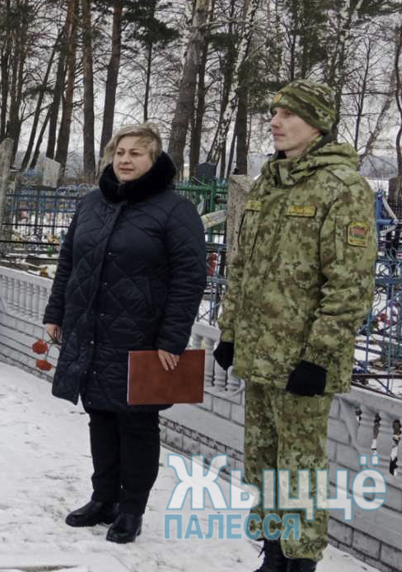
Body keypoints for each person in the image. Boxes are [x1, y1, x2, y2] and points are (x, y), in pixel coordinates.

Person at [213, 79, 376, 572]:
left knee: (299, 466)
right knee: (262, 459)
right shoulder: (270, 181)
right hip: (260, 352)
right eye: (274, 113)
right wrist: (230, 330)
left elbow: (350, 284)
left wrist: (319, 356)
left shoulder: (343, 188)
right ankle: (276, 550)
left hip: (303, 358)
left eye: (289, 115)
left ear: (318, 124)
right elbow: (243, 265)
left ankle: (301, 559)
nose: (276, 122)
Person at [43, 124, 206, 544]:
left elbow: (189, 278)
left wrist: (172, 338)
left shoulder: (174, 210)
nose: (126, 160)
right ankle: (103, 499)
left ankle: (131, 509)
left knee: (136, 422)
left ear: (154, 161)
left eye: (136, 153)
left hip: (142, 334)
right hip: (92, 329)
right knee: (100, 414)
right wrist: (56, 311)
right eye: (120, 152)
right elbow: (69, 261)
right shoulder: (93, 203)